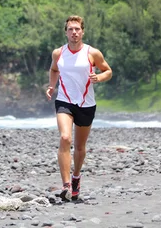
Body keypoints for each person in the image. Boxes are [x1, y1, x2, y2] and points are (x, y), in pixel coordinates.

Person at [46, 15, 112, 201]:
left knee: (80, 147)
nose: (74, 32)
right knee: (65, 137)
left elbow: (108, 70)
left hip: (86, 104)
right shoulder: (58, 53)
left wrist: (99, 77)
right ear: (66, 32)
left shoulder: (92, 53)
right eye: (70, 29)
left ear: (82, 31)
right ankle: (66, 184)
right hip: (64, 101)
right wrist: (52, 85)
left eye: (77, 29)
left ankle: (76, 177)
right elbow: (54, 69)